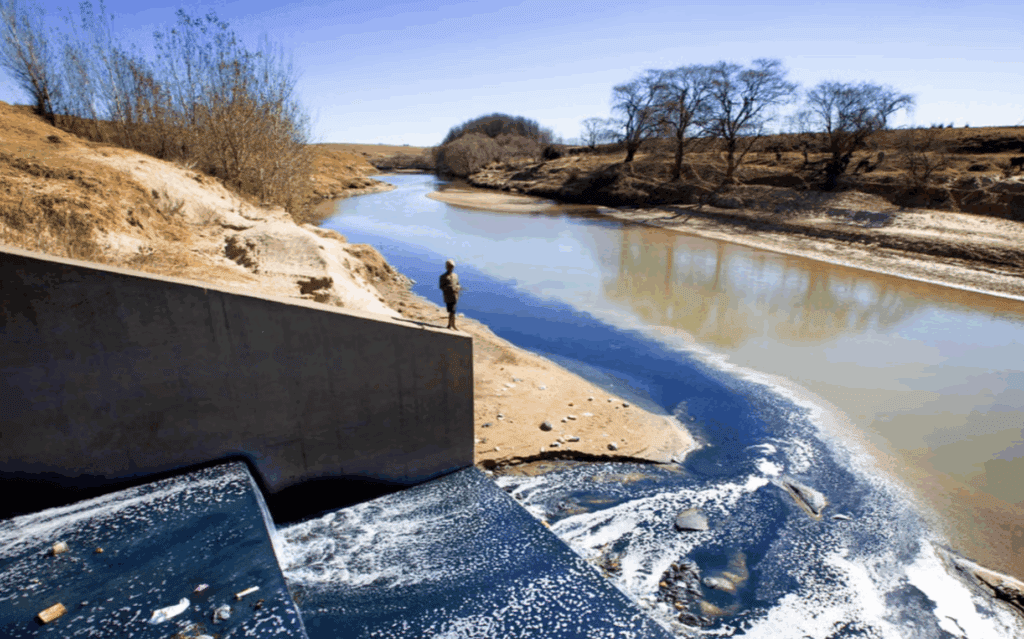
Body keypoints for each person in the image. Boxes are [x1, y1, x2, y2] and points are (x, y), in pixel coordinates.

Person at [439, 259, 461, 330]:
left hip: (455, 296)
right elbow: (441, 286)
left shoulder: (455, 276)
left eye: (452, 267)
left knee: (453, 311)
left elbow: (458, 284)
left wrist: (457, 288)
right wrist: (448, 288)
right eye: (450, 266)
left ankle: (451, 325)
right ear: (447, 267)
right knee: (451, 311)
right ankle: (451, 325)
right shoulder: (443, 277)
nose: (451, 268)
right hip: (448, 296)